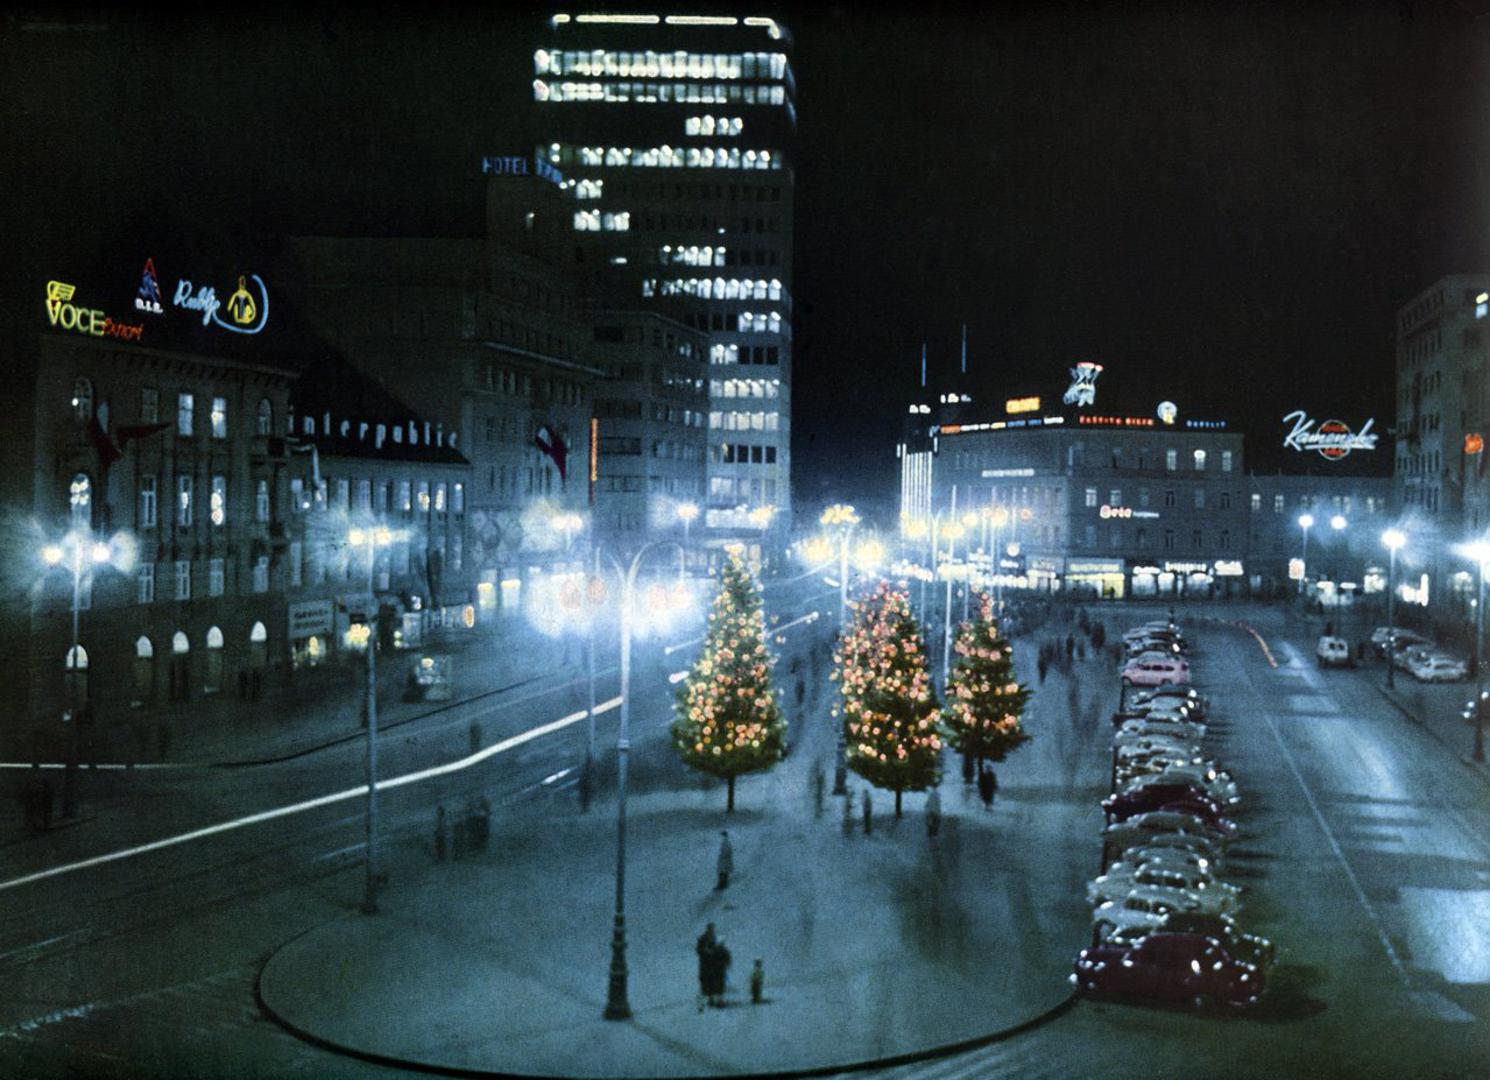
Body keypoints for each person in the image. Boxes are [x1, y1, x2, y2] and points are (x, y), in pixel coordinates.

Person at [696, 923, 717, 1009]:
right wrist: (705, 951)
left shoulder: (714, 938)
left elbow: (716, 949)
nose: (712, 930)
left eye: (713, 928)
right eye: (711, 928)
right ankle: (702, 1002)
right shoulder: (703, 938)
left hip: (712, 963)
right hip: (704, 963)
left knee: (712, 981)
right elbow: (698, 950)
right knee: (704, 981)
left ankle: (711, 999)